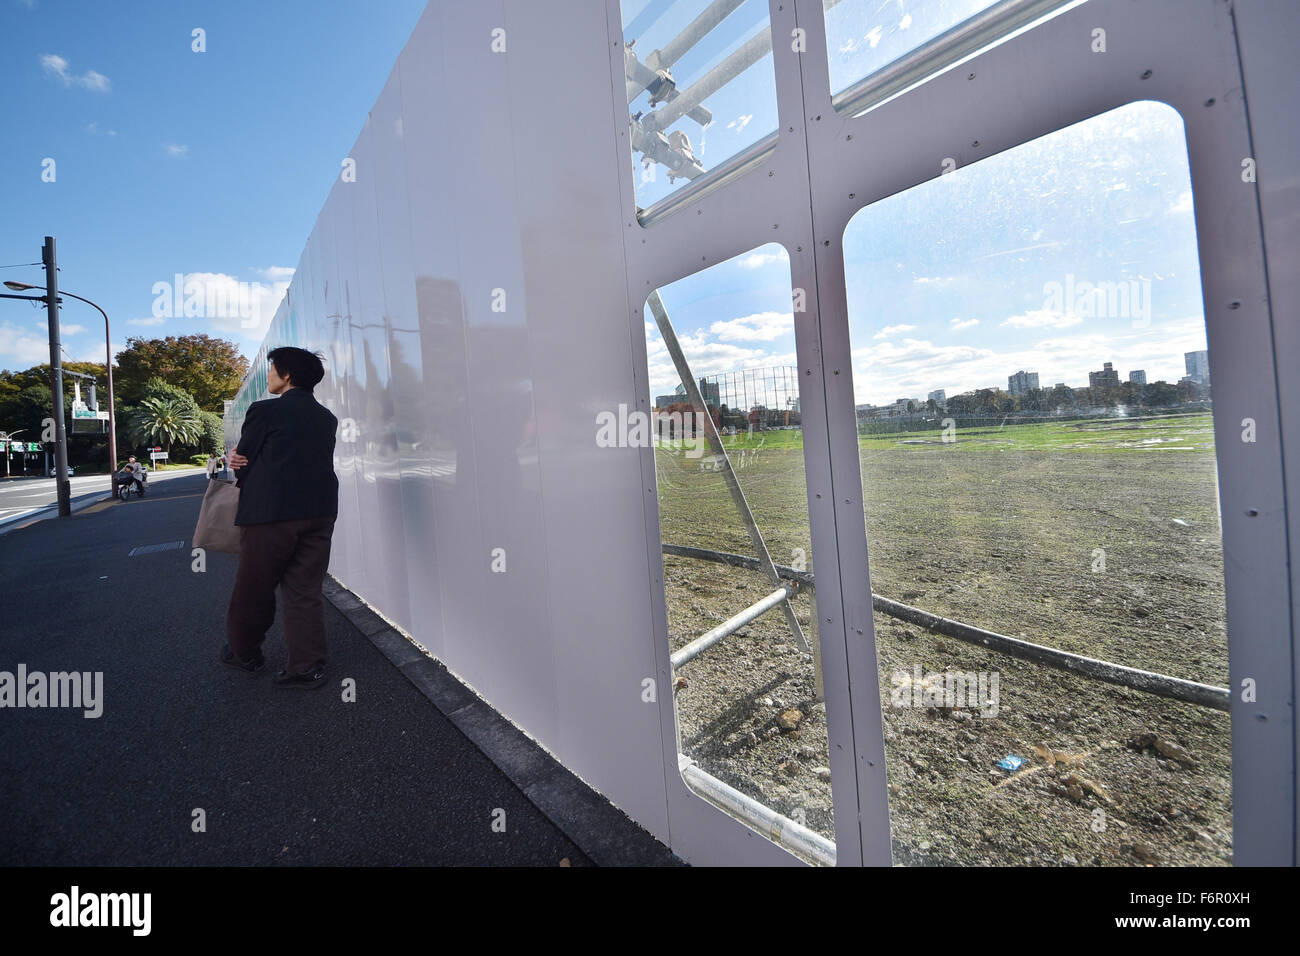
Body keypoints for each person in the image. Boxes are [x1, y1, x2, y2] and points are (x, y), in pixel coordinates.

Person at [221, 346, 338, 689]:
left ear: (286, 375)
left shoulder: (264, 411)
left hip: (270, 514)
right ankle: (307, 666)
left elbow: (245, 459)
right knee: (305, 589)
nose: (269, 375)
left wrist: (234, 459)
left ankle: (245, 653)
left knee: (254, 587)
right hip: (320, 512)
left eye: (272, 369)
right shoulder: (326, 418)